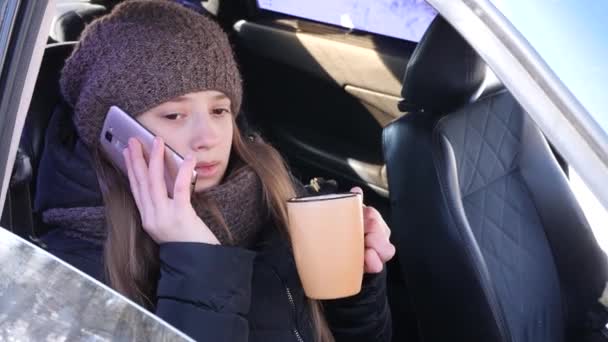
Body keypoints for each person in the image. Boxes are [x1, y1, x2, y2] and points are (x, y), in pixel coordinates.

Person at [35, 1, 396, 341]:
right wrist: (195, 258)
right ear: (114, 130)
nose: (208, 137)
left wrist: (356, 282)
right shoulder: (73, 264)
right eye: (174, 115)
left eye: (220, 111)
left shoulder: (269, 186)